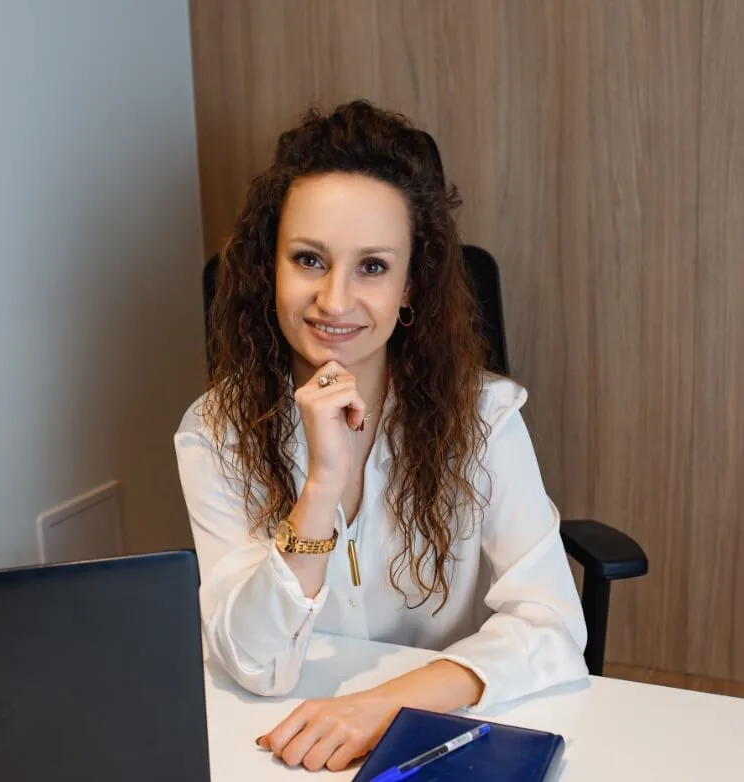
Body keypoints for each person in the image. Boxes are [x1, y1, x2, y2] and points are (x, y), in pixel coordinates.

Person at [174, 100, 588, 772]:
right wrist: (322, 485)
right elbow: (254, 664)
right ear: (269, 267)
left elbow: (552, 624)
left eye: (372, 267)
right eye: (309, 259)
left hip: (441, 740)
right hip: (280, 744)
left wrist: (385, 707)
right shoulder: (214, 432)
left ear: (409, 285)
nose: (334, 301)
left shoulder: (484, 416)